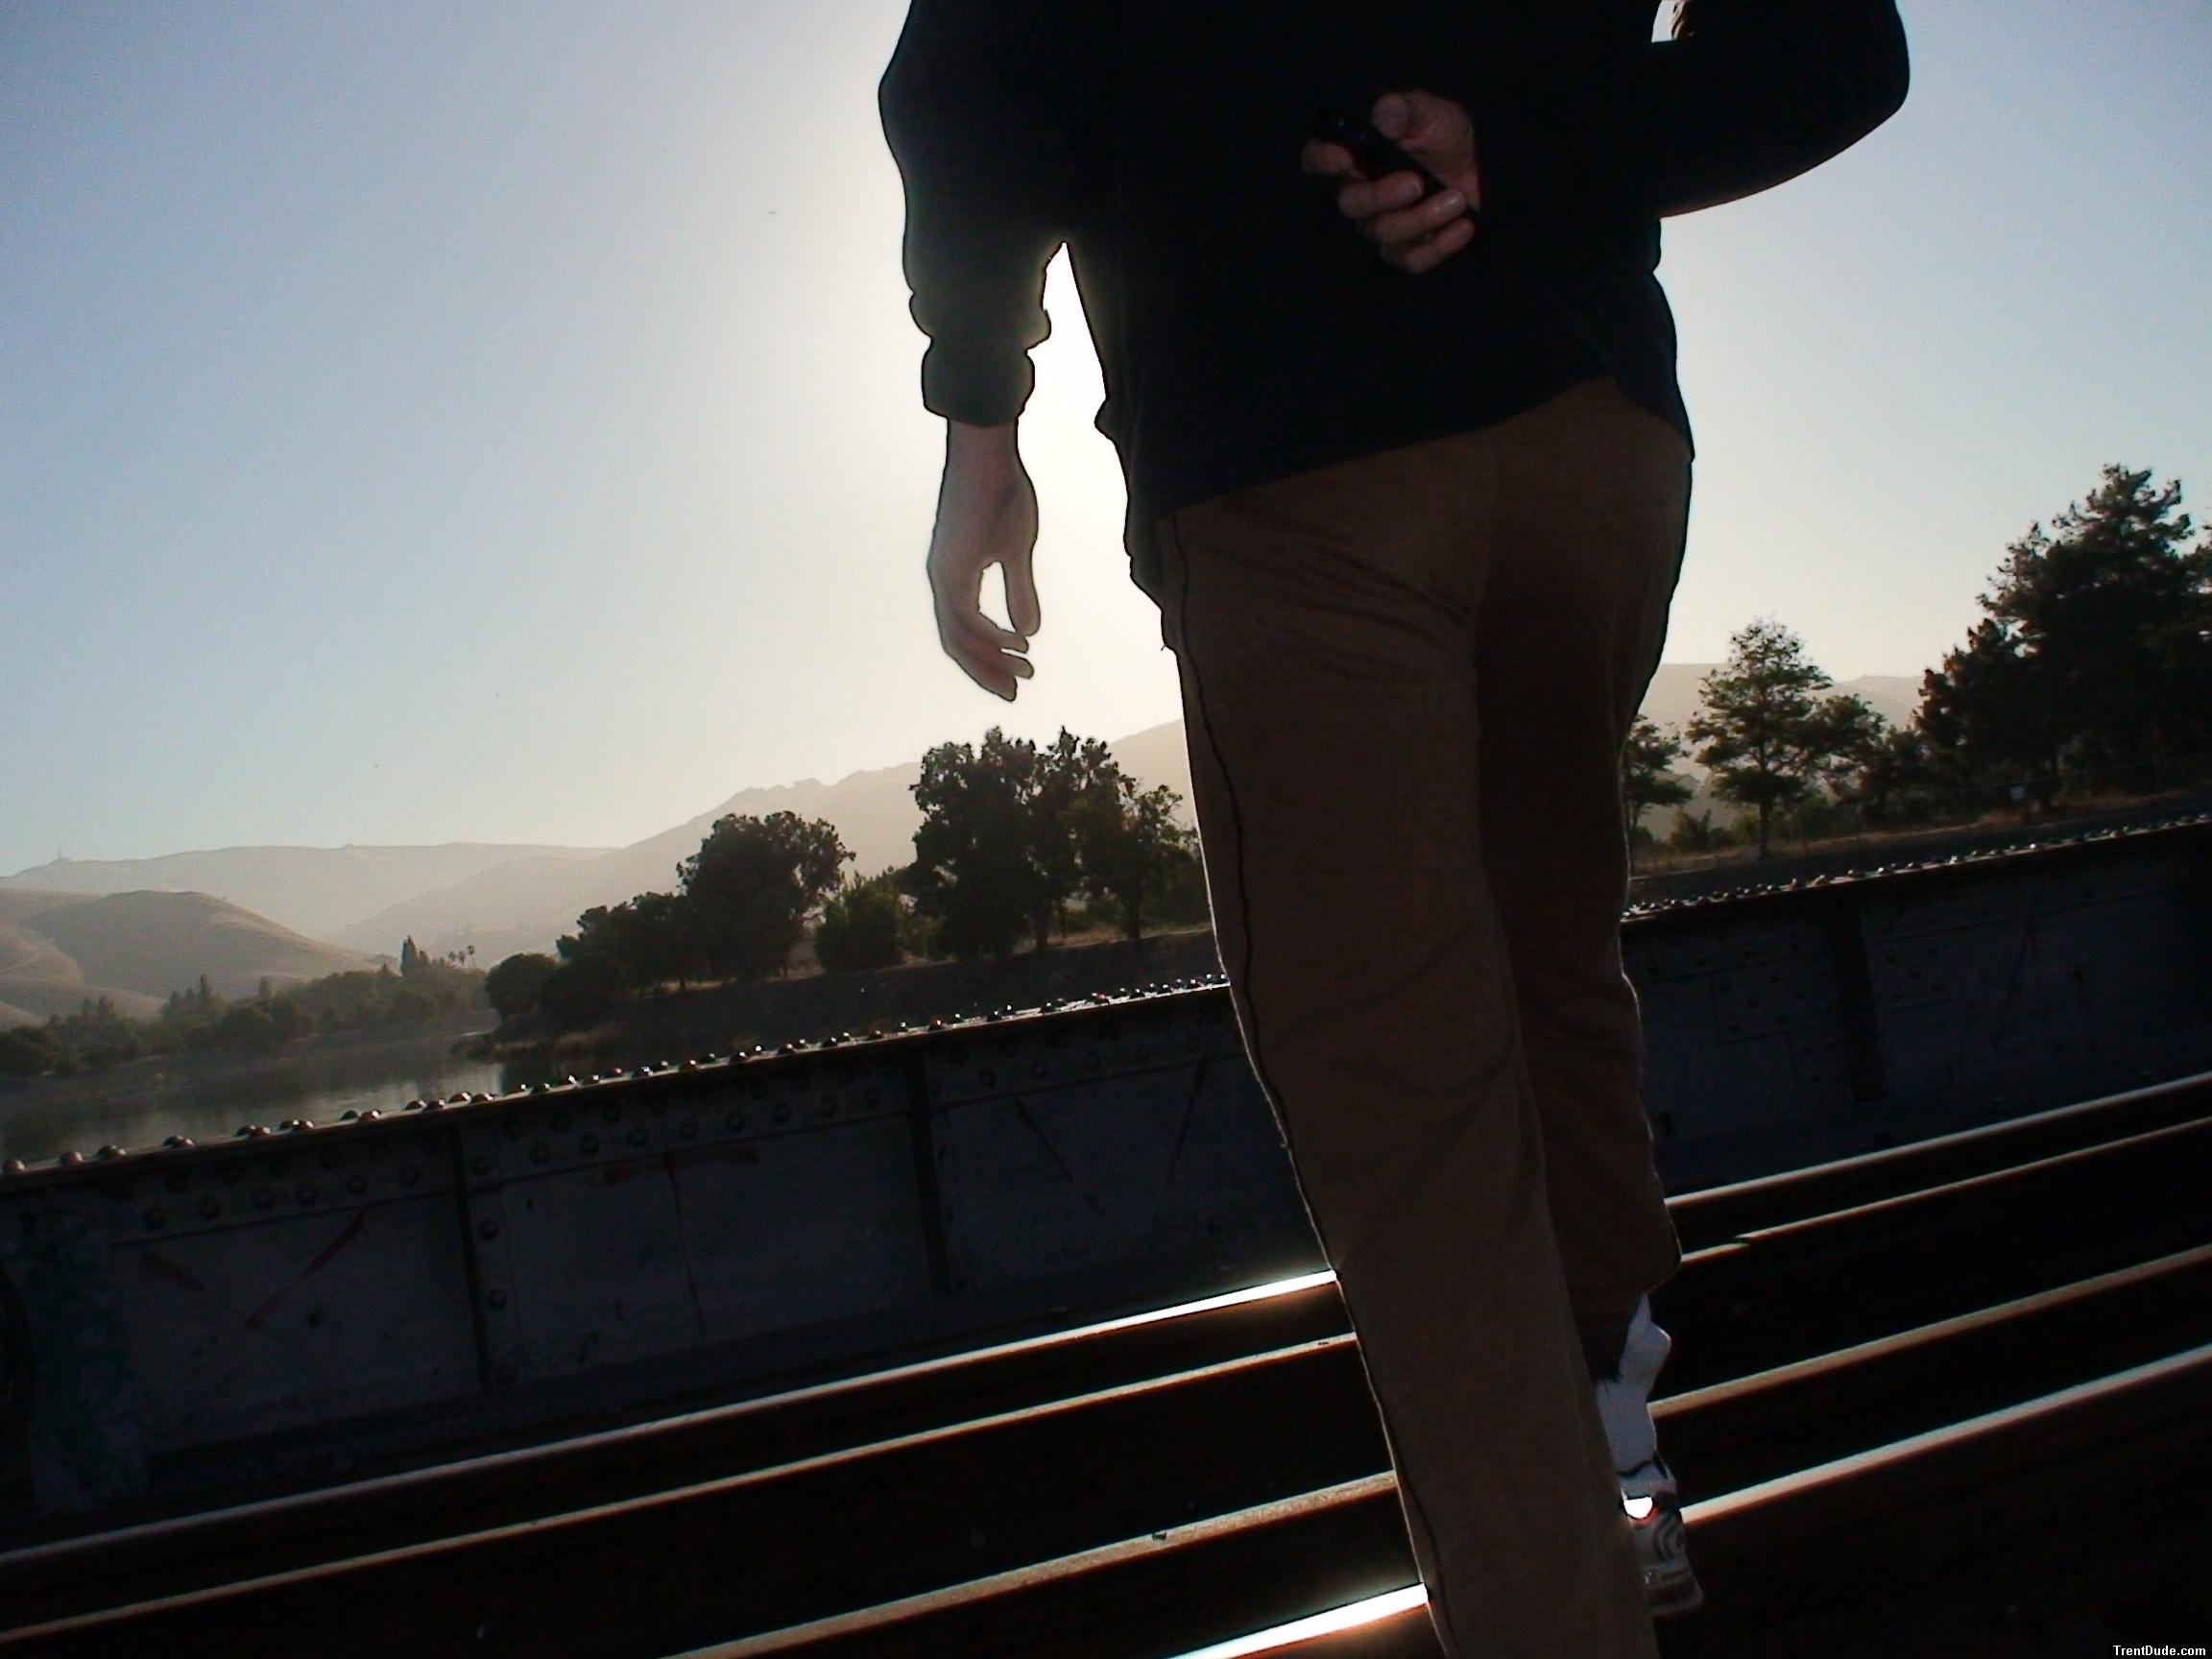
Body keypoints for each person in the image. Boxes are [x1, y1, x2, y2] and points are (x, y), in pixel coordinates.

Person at [880, 3, 1909, 1654]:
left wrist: (980, 415)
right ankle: (1620, 1436)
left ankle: (1554, 1610)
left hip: (1292, 463)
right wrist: (1531, 146)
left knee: (1408, 1109)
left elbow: (983, 75)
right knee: (1548, 946)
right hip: (1595, 434)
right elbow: (1835, 48)